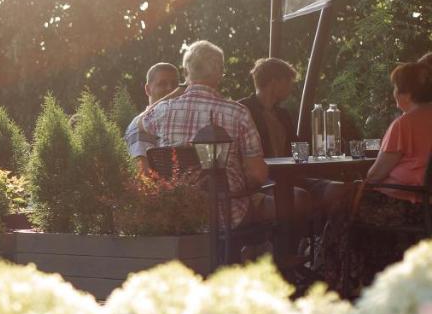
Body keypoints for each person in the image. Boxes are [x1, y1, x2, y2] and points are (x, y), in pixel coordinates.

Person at [315, 62, 432, 296]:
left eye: (395, 88)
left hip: (406, 205)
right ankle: (371, 278)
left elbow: (375, 175)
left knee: (343, 209)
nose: (393, 94)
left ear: (405, 93)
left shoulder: (405, 124)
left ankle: (337, 280)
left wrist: (365, 180)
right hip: (424, 205)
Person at [139, 40, 270, 227]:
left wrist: (177, 91)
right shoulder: (237, 113)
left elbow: (142, 120)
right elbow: (258, 174)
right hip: (227, 216)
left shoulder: (161, 111)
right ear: (220, 74)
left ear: (186, 73)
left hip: (178, 215)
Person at [237, 58, 301, 158]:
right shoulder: (241, 110)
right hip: (255, 172)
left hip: (285, 172)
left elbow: (299, 150)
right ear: (274, 82)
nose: (291, 87)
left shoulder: (283, 115)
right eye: (288, 81)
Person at [125, 62, 181, 172]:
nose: (170, 88)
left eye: (174, 84)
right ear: (147, 89)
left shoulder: (179, 120)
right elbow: (143, 174)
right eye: (162, 84)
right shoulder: (139, 125)